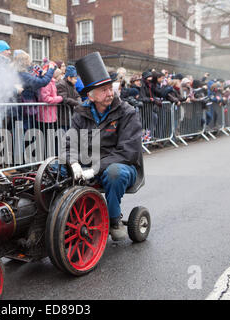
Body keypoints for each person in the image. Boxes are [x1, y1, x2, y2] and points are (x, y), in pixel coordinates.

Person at [62, 52, 143, 241]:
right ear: (91, 96)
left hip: (122, 165)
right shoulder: (80, 114)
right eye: (104, 90)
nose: (110, 93)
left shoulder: (127, 112)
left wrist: (94, 169)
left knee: (114, 173)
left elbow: (128, 152)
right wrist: (73, 163)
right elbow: (69, 143)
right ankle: (63, 218)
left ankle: (114, 219)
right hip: (86, 165)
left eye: (110, 88)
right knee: (56, 170)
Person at [56, 65, 82, 130]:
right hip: (63, 117)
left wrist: (79, 101)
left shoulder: (72, 85)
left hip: (70, 116)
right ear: (69, 78)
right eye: (75, 78)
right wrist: (77, 103)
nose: (76, 80)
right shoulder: (61, 84)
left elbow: (77, 95)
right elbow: (64, 99)